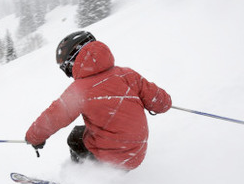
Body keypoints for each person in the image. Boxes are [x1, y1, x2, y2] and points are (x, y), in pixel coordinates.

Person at [25, 31, 172, 170]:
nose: (69, 74)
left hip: (113, 158)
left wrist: (34, 138)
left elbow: (53, 117)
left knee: (75, 138)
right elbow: (162, 103)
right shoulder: (127, 74)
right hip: (137, 152)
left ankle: (83, 179)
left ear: (73, 61)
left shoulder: (78, 90)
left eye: (67, 69)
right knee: (84, 131)